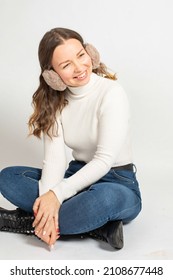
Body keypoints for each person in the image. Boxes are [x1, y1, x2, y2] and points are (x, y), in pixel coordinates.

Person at [0, 27, 142, 250]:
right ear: (52, 75)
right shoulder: (55, 103)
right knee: (8, 177)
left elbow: (104, 160)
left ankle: (28, 222)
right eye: (66, 65)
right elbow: (55, 162)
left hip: (117, 182)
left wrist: (57, 195)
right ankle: (96, 227)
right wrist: (50, 198)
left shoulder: (111, 93)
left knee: (102, 201)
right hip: (74, 176)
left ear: (90, 53)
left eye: (81, 55)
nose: (79, 68)